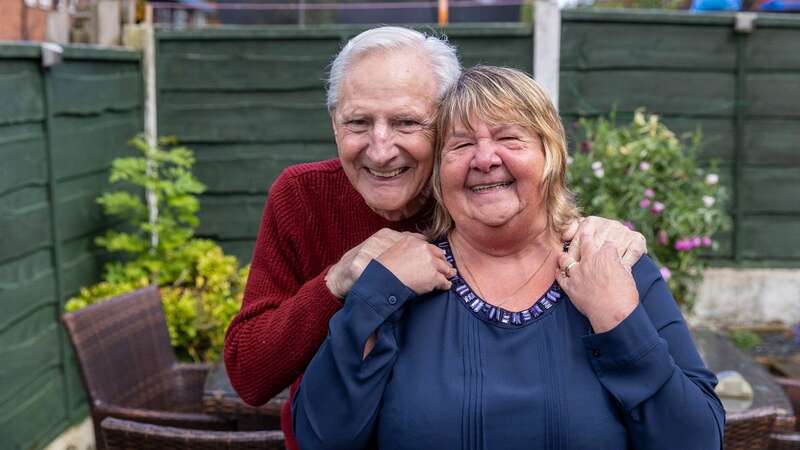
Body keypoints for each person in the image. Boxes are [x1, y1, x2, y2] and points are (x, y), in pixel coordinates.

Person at [224, 27, 648, 450]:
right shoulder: (303, 196)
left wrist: (603, 236)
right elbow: (249, 373)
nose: (381, 149)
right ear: (334, 124)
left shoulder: (482, 199)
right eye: (358, 122)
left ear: (448, 124)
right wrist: (337, 281)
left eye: (406, 122)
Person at [292, 66, 725, 450]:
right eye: (461, 146)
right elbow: (320, 436)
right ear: (439, 174)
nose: (485, 159)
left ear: (551, 156)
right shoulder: (400, 286)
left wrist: (619, 321)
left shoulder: (615, 269)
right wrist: (376, 295)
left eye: (508, 138)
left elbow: (697, 439)